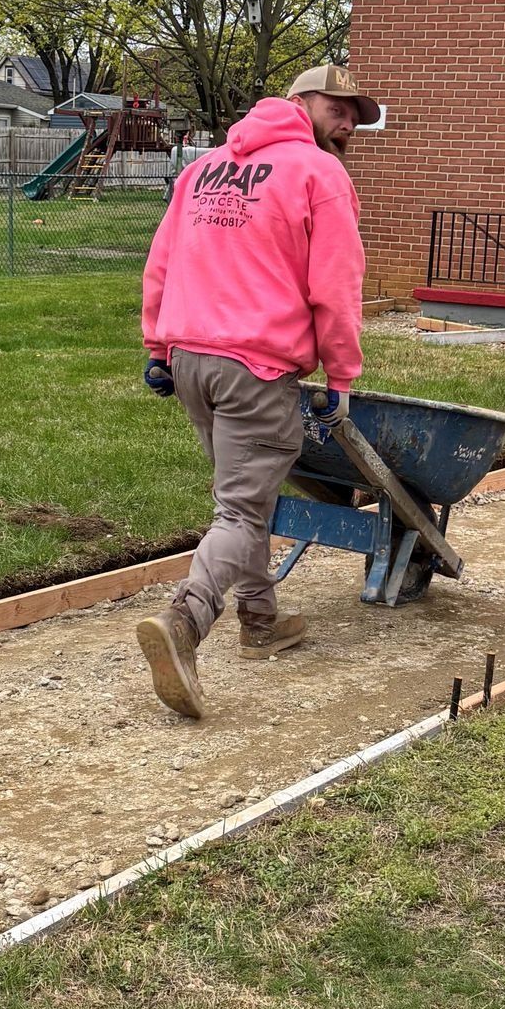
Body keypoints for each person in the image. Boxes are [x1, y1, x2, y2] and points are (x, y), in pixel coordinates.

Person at [135, 61, 378, 719]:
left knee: (244, 500)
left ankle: (262, 621)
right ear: (301, 100)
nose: (350, 120)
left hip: (191, 361)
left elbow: (163, 260)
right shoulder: (319, 174)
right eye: (339, 105)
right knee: (241, 513)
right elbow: (336, 284)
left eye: (358, 113)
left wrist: (159, 346)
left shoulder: (205, 167)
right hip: (258, 367)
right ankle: (185, 622)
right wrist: (341, 377)